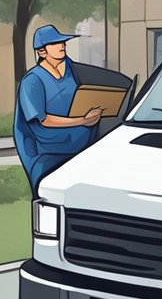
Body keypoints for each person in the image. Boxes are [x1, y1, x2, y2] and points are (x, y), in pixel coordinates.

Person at [13, 25, 104, 195]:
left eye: (62, 42)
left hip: (80, 146)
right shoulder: (32, 81)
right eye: (55, 44)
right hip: (48, 151)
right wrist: (83, 120)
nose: (62, 46)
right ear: (42, 52)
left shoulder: (72, 73)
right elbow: (44, 120)